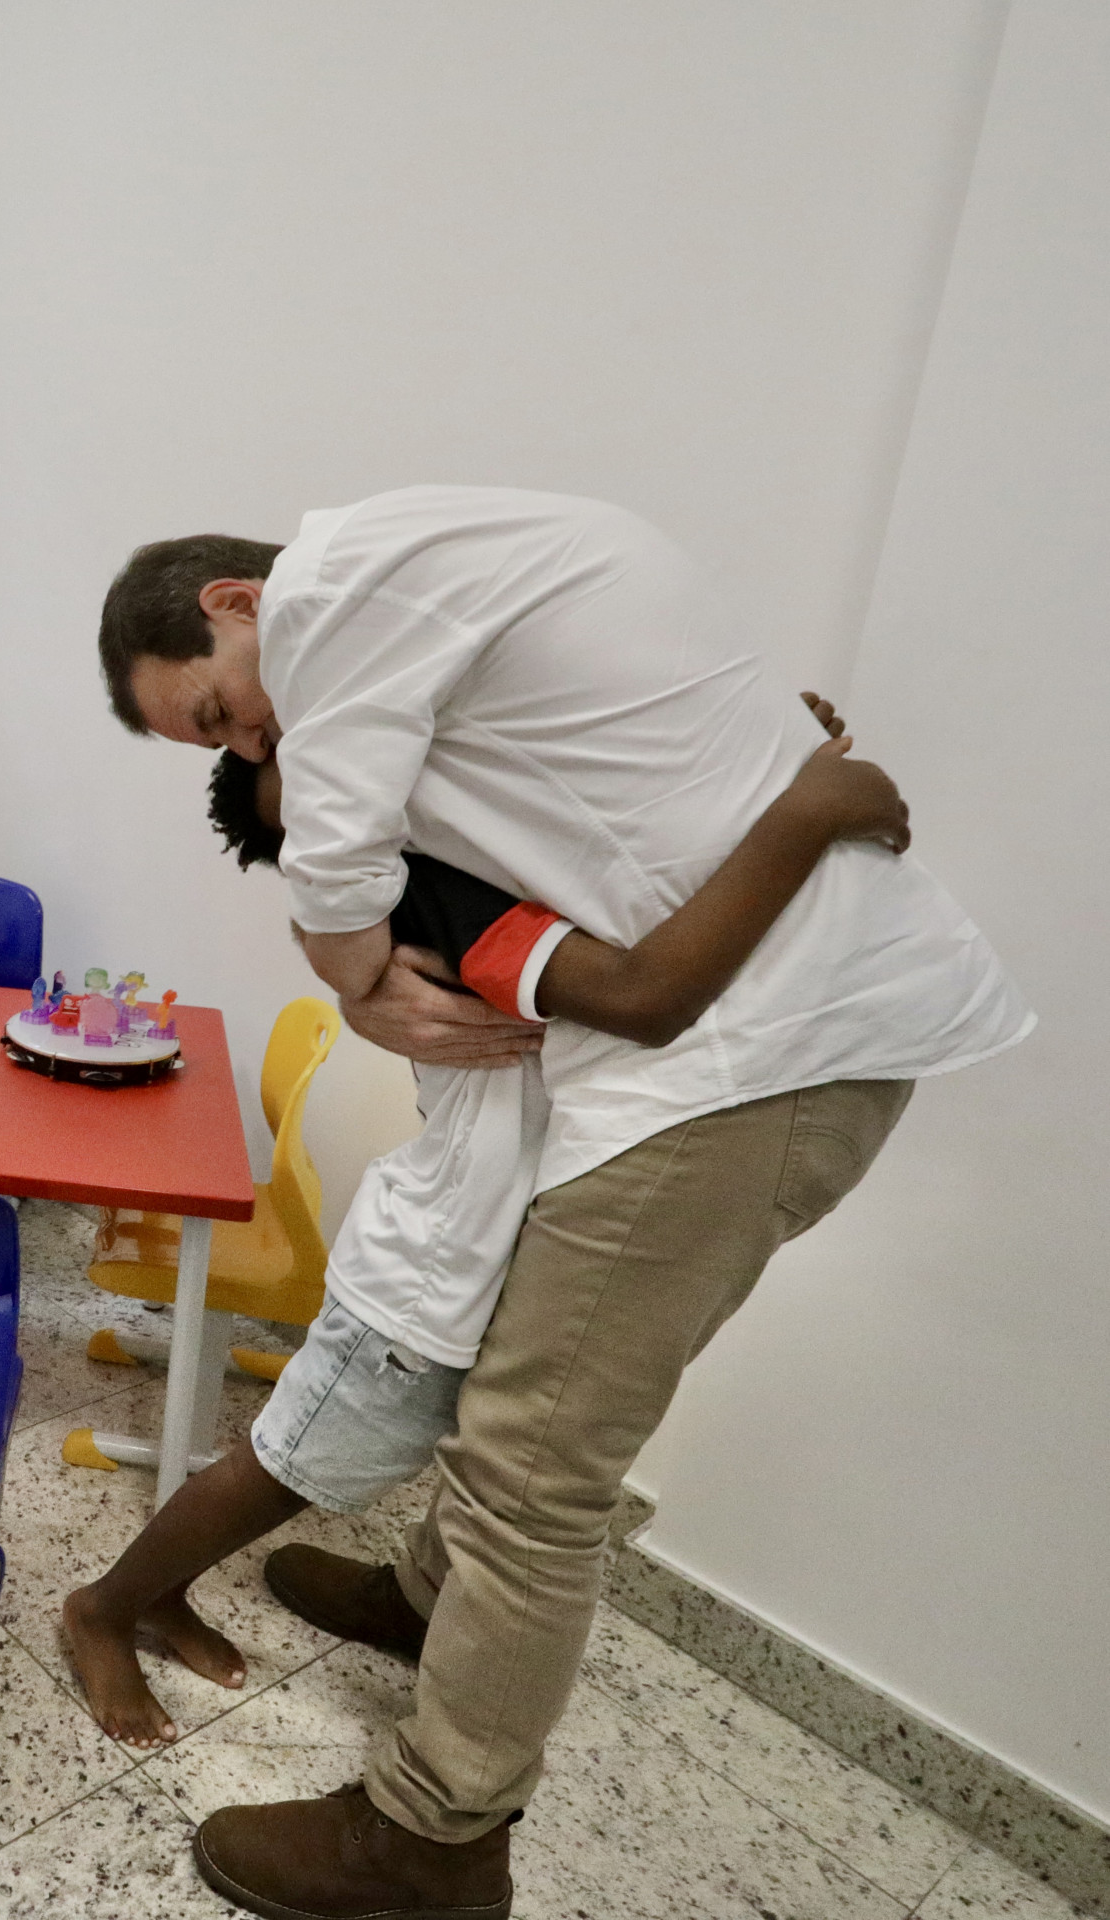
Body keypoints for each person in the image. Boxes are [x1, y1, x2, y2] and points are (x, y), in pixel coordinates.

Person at [97, 488, 1033, 1920]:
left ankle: (433, 1843)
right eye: (232, 747)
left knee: (530, 1470)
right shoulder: (439, 833)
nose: (260, 745)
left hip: (739, 1080)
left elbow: (606, 957)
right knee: (480, 1458)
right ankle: (404, 1619)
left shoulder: (359, 620)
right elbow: (605, 863)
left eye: (228, 716)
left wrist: (794, 784)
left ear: (238, 601)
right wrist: (794, 788)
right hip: (560, 1172)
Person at [65, 719, 910, 1753]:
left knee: (369, 1464)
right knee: (284, 1462)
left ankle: (158, 1596)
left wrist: (758, 763)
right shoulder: (437, 908)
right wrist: (801, 808)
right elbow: (647, 984)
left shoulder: (474, 872)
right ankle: (106, 1605)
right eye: (322, 804)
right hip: (429, 1273)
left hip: (496, 1255)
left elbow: (646, 875)